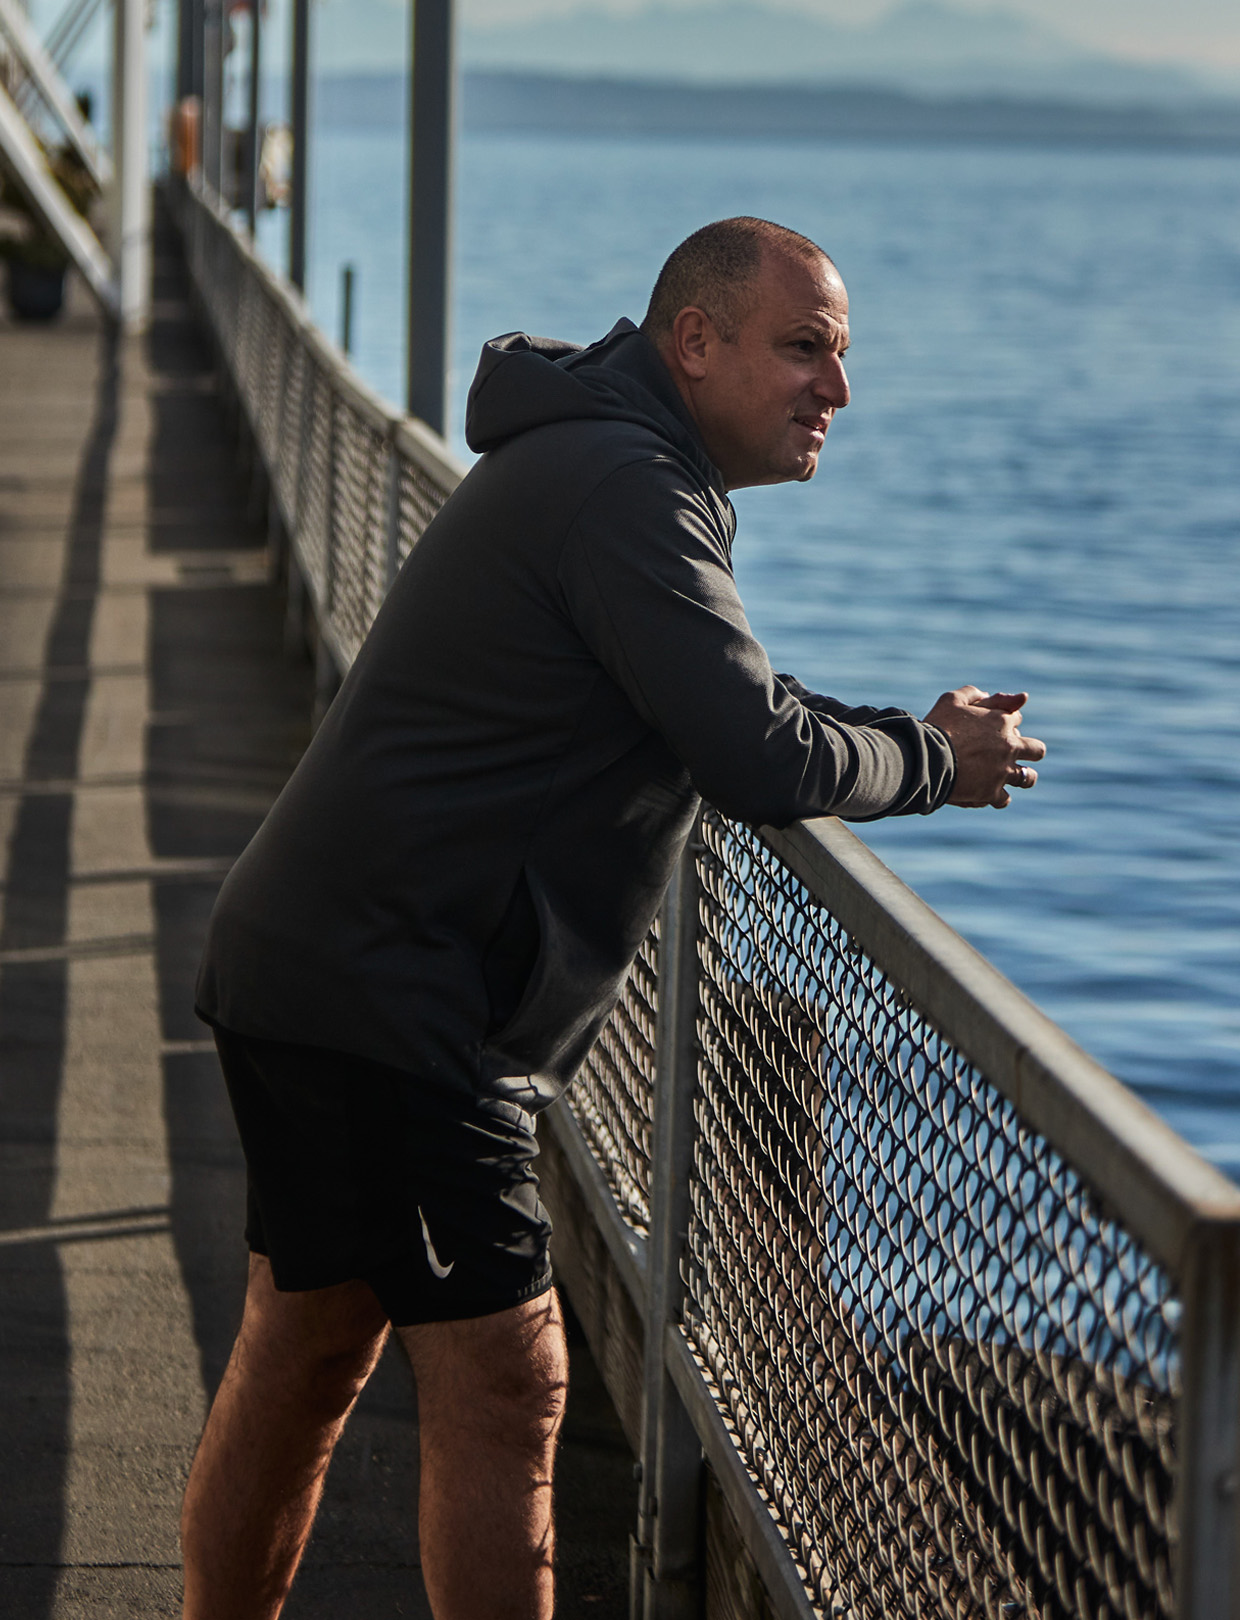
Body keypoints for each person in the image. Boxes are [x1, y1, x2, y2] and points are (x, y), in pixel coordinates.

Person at [181, 216, 1045, 1620]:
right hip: (404, 999)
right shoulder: (627, 484)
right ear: (693, 343)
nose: (838, 389)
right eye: (805, 349)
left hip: (317, 959)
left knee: (309, 1343)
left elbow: (725, 703)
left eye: (842, 356)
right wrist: (936, 763)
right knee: (510, 1380)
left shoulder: (614, 460)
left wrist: (899, 733)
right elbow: (756, 758)